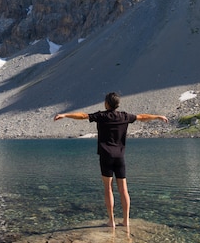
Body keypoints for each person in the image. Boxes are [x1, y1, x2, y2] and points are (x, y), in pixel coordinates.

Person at [54, 92, 168, 228]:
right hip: (120, 157)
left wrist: (65, 115)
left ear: (107, 104)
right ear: (117, 104)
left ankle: (111, 221)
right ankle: (126, 221)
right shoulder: (125, 116)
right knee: (123, 189)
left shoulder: (102, 116)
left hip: (105, 156)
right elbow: (142, 117)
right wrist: (158, 117)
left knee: (108, 188)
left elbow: (83, 116)